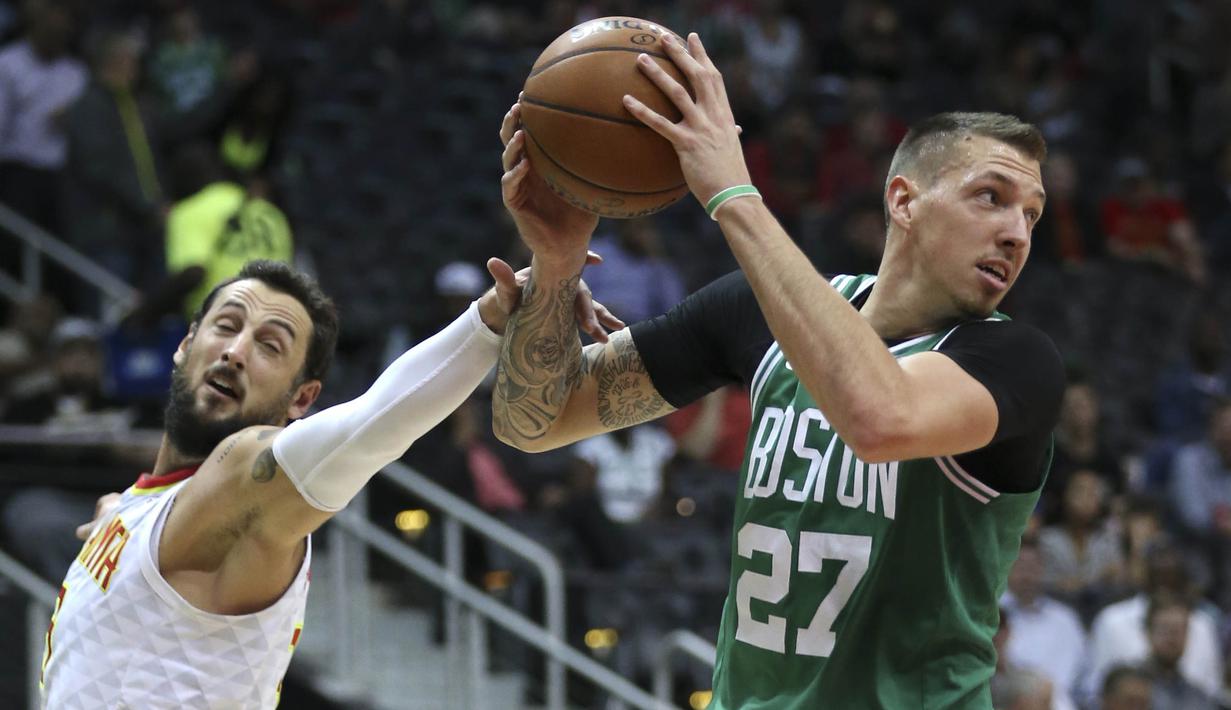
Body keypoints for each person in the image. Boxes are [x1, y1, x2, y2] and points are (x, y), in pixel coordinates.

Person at [492, 30, 1063, 708]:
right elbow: (535, 421)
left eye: (1031, 214)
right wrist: (556, 268)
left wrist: (732, 192)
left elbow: (879, 419)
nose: (1015, 233)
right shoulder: (754, 313)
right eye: (990, 197)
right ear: (904, 202)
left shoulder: (1013, 361)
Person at [39, 258, 617, 708]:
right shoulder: (143, 510)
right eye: (226, 327)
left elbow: (372, 425)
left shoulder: (246, 475)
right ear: (186, 345)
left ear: (303, 400)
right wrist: (115, 513)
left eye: (270, 345)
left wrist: (492, 316)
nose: (237, 352)